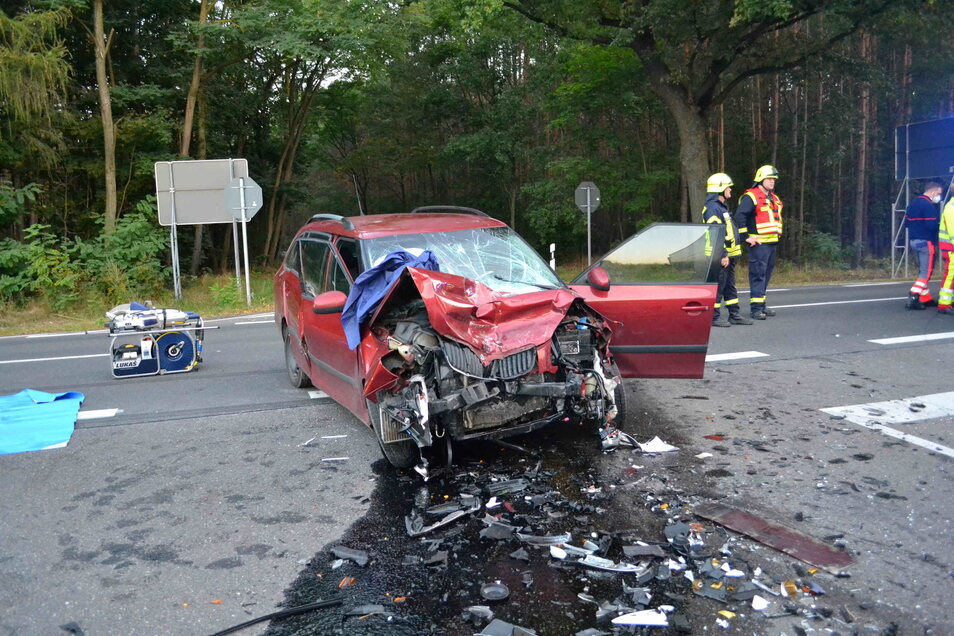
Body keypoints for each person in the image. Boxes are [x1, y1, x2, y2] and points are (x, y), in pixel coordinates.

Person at [702, 173, 752, 327]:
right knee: (719, 286)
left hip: (728, 255)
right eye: (728, 187)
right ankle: (714, 317)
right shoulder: (712, 208)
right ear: (720, 189)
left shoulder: (721, 207)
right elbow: (715, 232)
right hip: (718, 256)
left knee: (729, 284)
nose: (730, 189)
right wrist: (723, 254)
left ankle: (734, 314)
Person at [735, 165, 783, 320]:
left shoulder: (773, 198)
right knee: (758, 275)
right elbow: (740, 216)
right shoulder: (751, 196)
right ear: (760, 179)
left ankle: (761, 305)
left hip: (771, 244)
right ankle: (755, 309)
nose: (772, 181)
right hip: (758, 244)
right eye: (769, 178)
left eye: (774, 179)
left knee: (766, 275)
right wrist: (745, 237)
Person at [904, 181, 944, 310]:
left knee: (922, 270)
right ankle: (914, 295)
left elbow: (906, 224)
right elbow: (932, 226)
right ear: (933, 191)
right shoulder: (928, 206)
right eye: (938, 193)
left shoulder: (912, 204)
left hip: (913, 241)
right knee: (926, 272)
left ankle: (925, 298)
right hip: (926, 242)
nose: (939, 196)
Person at [937, 185, 954, 315]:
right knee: (950, 274)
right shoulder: (951, 208)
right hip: (951, 248)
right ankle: (944, 304)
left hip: (950, 247)